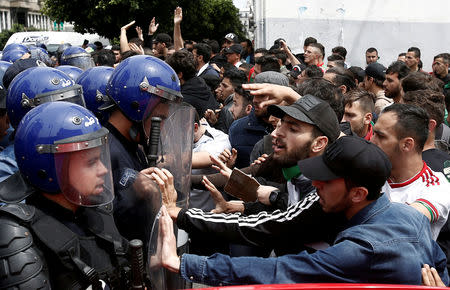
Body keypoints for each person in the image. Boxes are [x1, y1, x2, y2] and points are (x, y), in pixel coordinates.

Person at [158, 136, 449, 286]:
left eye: (326, 180)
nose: (316, 184)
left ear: (358, 193)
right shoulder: (409, 216)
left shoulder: (362, 249)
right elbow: (440, 266)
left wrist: (181, 263)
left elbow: (278, 270)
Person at [0, 102, 135, 289]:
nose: (104, 170)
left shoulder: (96, 210)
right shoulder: (15, 231)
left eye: (100, 158)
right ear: (49, 169)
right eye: (91, 162)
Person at [372, 104, 450, 240]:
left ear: (407, 144)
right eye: (373, 133)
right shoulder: (370, 171)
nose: (372, 141)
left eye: (380, 136)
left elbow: (398, 224)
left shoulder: (436, 186)